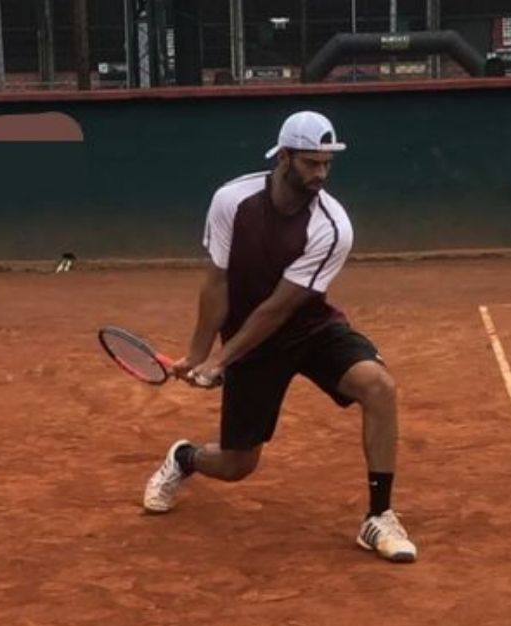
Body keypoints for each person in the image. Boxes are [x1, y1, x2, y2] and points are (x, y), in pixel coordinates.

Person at [142, 110, 417, 564]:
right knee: (237, 466)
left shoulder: (333, 226)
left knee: (379, 387)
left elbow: (278, 308)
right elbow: (216, 284)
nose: (321, 174)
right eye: (312, 163)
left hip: (311, 330)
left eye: (327, 164)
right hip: (252, 344)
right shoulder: (232, 201)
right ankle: (185, 458)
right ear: (285, 156)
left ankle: (379, 517)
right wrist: (197, 354)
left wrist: (220, 361)